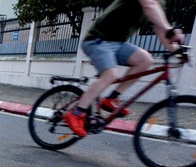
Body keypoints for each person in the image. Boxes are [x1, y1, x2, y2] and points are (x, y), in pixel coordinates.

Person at [64, 0, 184, 138]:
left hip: (117, 43)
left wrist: (177, 50)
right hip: (97, 40)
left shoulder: (160, 3)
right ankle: (77, 113)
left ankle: (111, 98)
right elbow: (149, 5)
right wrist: (170, 30)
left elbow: (161, 30)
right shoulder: (151, 3)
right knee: (111, 74)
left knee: (145, 60)